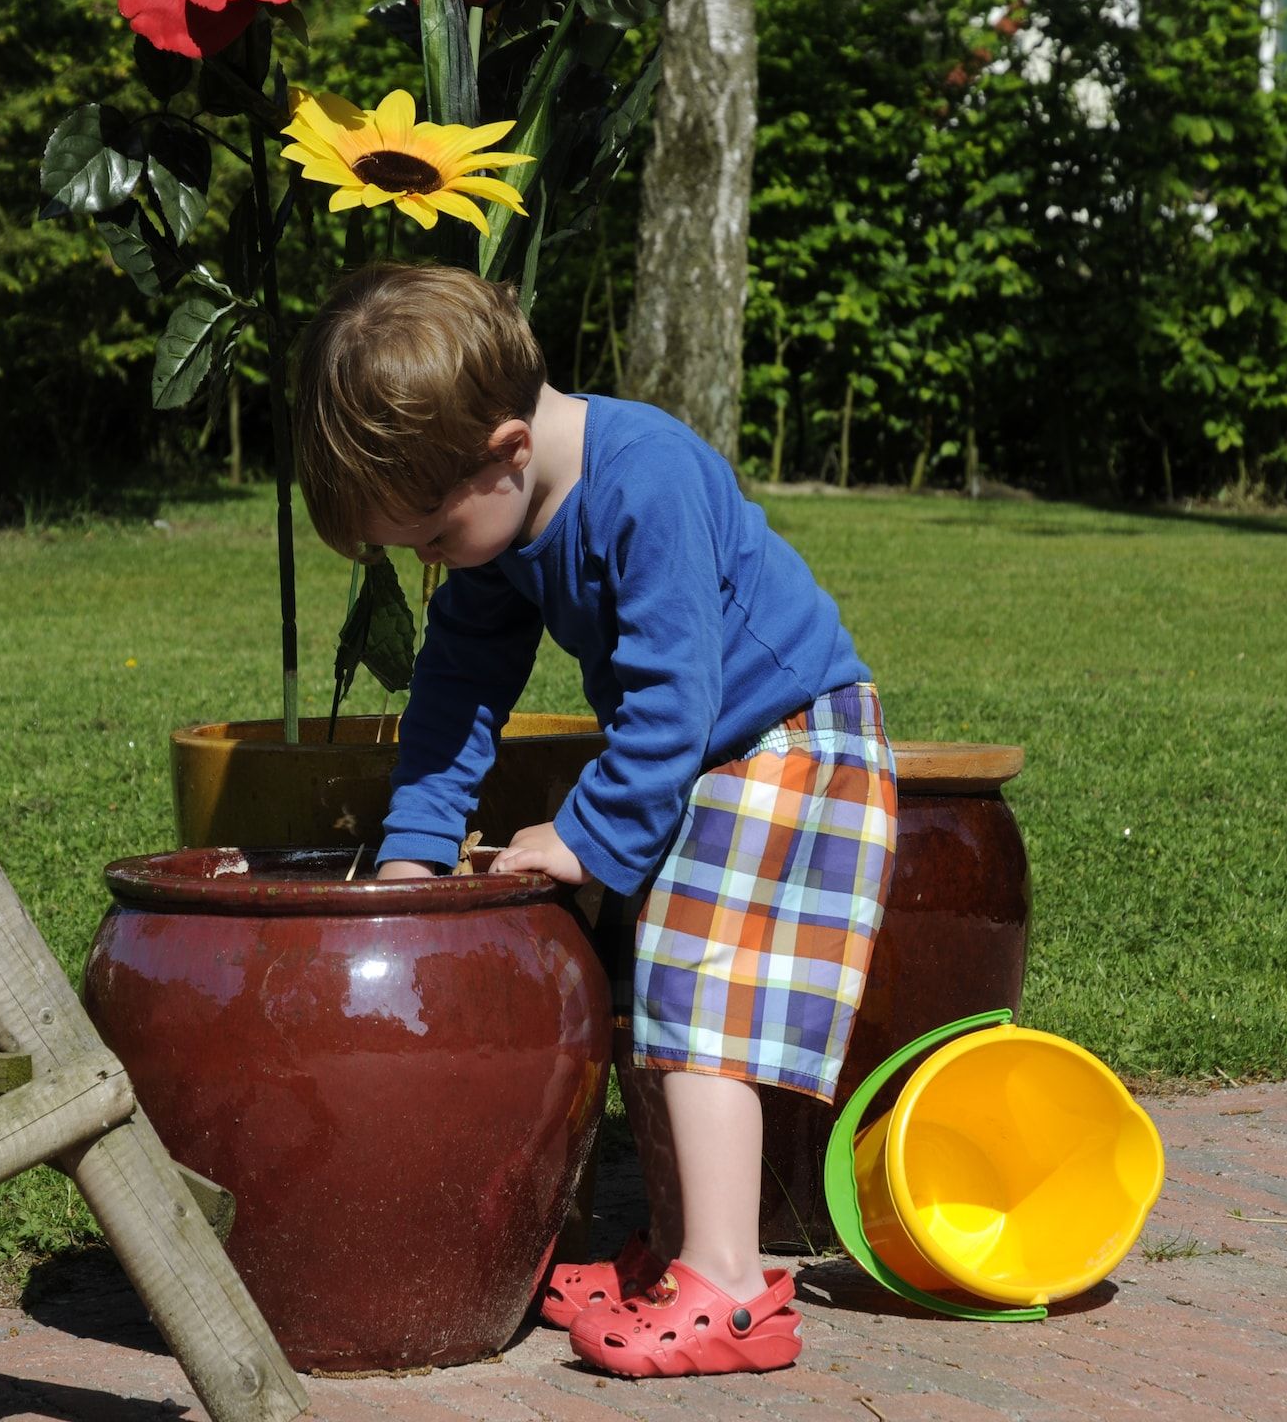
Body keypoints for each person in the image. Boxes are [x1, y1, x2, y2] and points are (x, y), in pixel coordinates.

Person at [292, 262, 898, 1379]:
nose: (429, 564)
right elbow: (457, 686)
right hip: (712, 749)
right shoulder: (504, 517)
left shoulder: (644, 479)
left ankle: (726, 1285)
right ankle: (680, 1256)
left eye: (428, 537)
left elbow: (679, 693)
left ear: (506, 451)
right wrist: (416, 852)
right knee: (649, 1007)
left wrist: (584, 835)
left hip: (788, 739)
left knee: (697, 998)